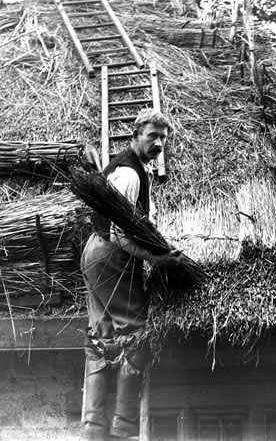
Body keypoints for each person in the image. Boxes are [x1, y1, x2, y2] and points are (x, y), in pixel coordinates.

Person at [81, 109, 182, 441]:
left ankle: (94, 428)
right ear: (136, 134)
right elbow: (122, 236)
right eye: (152, 135)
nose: (158, 143)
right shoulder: (130, 174)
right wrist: (159, 258)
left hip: (95, 252)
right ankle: (124, 427)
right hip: (112, 257)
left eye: (163, 138)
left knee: (101, 337)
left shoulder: (132, 167)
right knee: (135, 333)